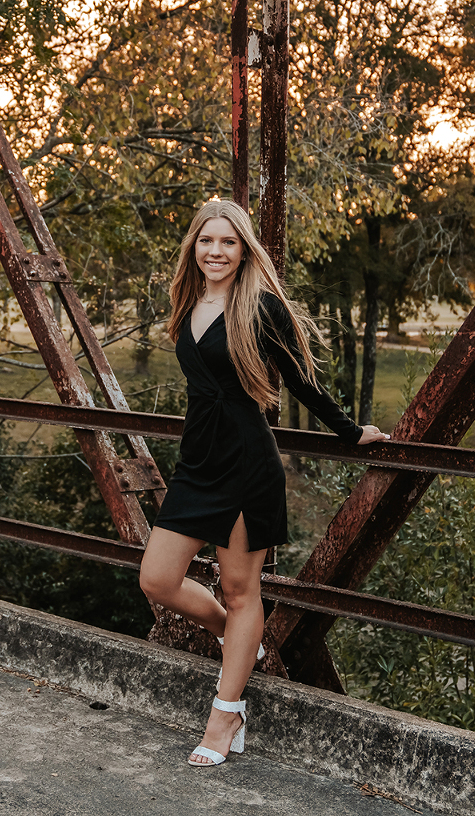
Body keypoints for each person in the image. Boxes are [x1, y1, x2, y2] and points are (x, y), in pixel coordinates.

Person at [138, 199, 389, 768]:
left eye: (228, 243)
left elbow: (301, 383)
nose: (216, 252)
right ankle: (236, 637)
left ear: (244, 249)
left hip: (248, 463)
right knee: (156, 578)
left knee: (241, 589)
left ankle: (227, 713)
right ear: (193, 247)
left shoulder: (261, 308)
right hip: (198, 464)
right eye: (207, 241)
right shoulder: (187, 302)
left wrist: (350, 433)